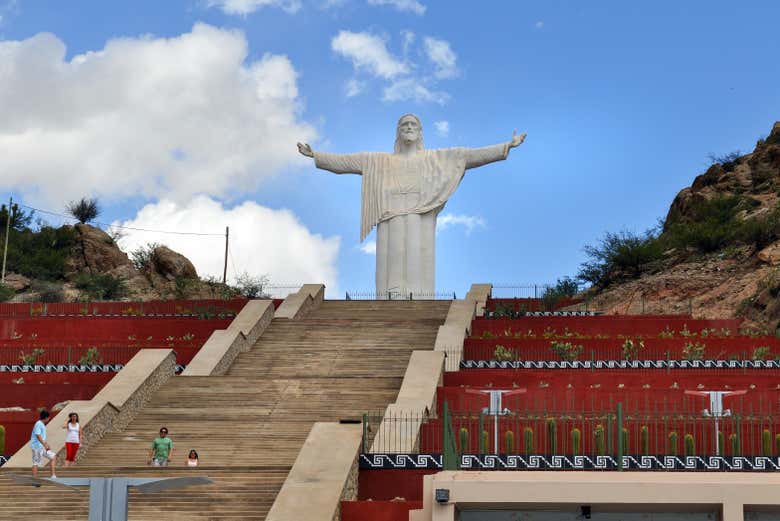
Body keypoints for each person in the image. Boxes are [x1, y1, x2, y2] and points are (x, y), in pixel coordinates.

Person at [31, 409, 56, 478]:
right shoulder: (38, 424)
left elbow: (42, 437)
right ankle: (34, 478)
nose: (49, 419)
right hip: (37, 447)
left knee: (53, 457)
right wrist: (44, 444)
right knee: (36, 462)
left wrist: (47, 444)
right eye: (48, 417)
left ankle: (53, 476)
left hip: (42, 446)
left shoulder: (42, 424)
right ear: (46, 417)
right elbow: (38, 435)